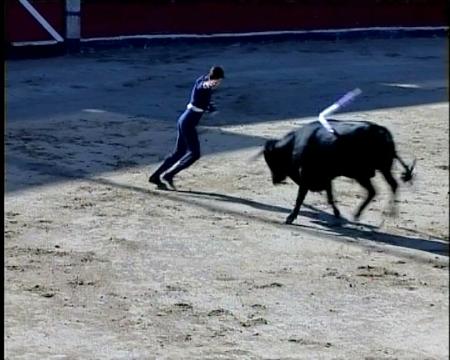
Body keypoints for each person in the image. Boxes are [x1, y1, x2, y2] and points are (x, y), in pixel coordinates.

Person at [149, 66, 225, 190]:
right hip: (188, 123)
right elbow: (203, 86)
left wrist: (211, 107)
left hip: (184, 120)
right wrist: (210, 84)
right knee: (195, 154)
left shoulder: (202, 79)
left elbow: (203, 96)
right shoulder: (205, 84)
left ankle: (156, 176)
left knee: (179, 152)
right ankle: (169, 175)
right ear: (216, 79)